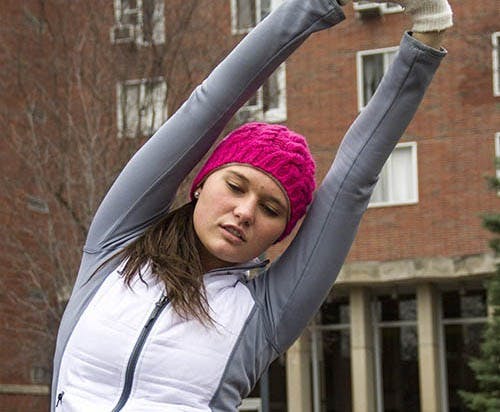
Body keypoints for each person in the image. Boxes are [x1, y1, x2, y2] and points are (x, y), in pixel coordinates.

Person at [51, 0, 452, 410]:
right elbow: (206, 105)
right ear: (202, 183)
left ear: (281, 232)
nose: (245, 211)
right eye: (236, 185)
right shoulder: (115, 246)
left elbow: (351, 187)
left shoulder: (264, 315)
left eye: (271, 209)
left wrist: (428, 28)